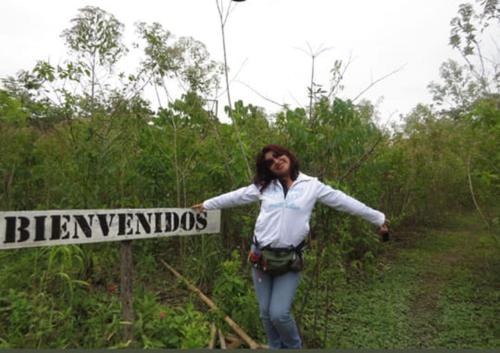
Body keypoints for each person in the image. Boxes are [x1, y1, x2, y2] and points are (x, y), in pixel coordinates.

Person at [192, 144, 389, 349]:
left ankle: (294, 347)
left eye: (278, 156)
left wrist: (378, 218)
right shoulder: (264, 186)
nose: (275, 161)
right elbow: (236, 196)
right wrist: (207, 204)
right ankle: (275, 347)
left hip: (289, 259)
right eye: (269, 161)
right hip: (260, 255)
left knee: (279, 313)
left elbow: (345, 202)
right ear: (267, 168)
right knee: (266, 314)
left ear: (288, 156)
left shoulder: (311, 185)